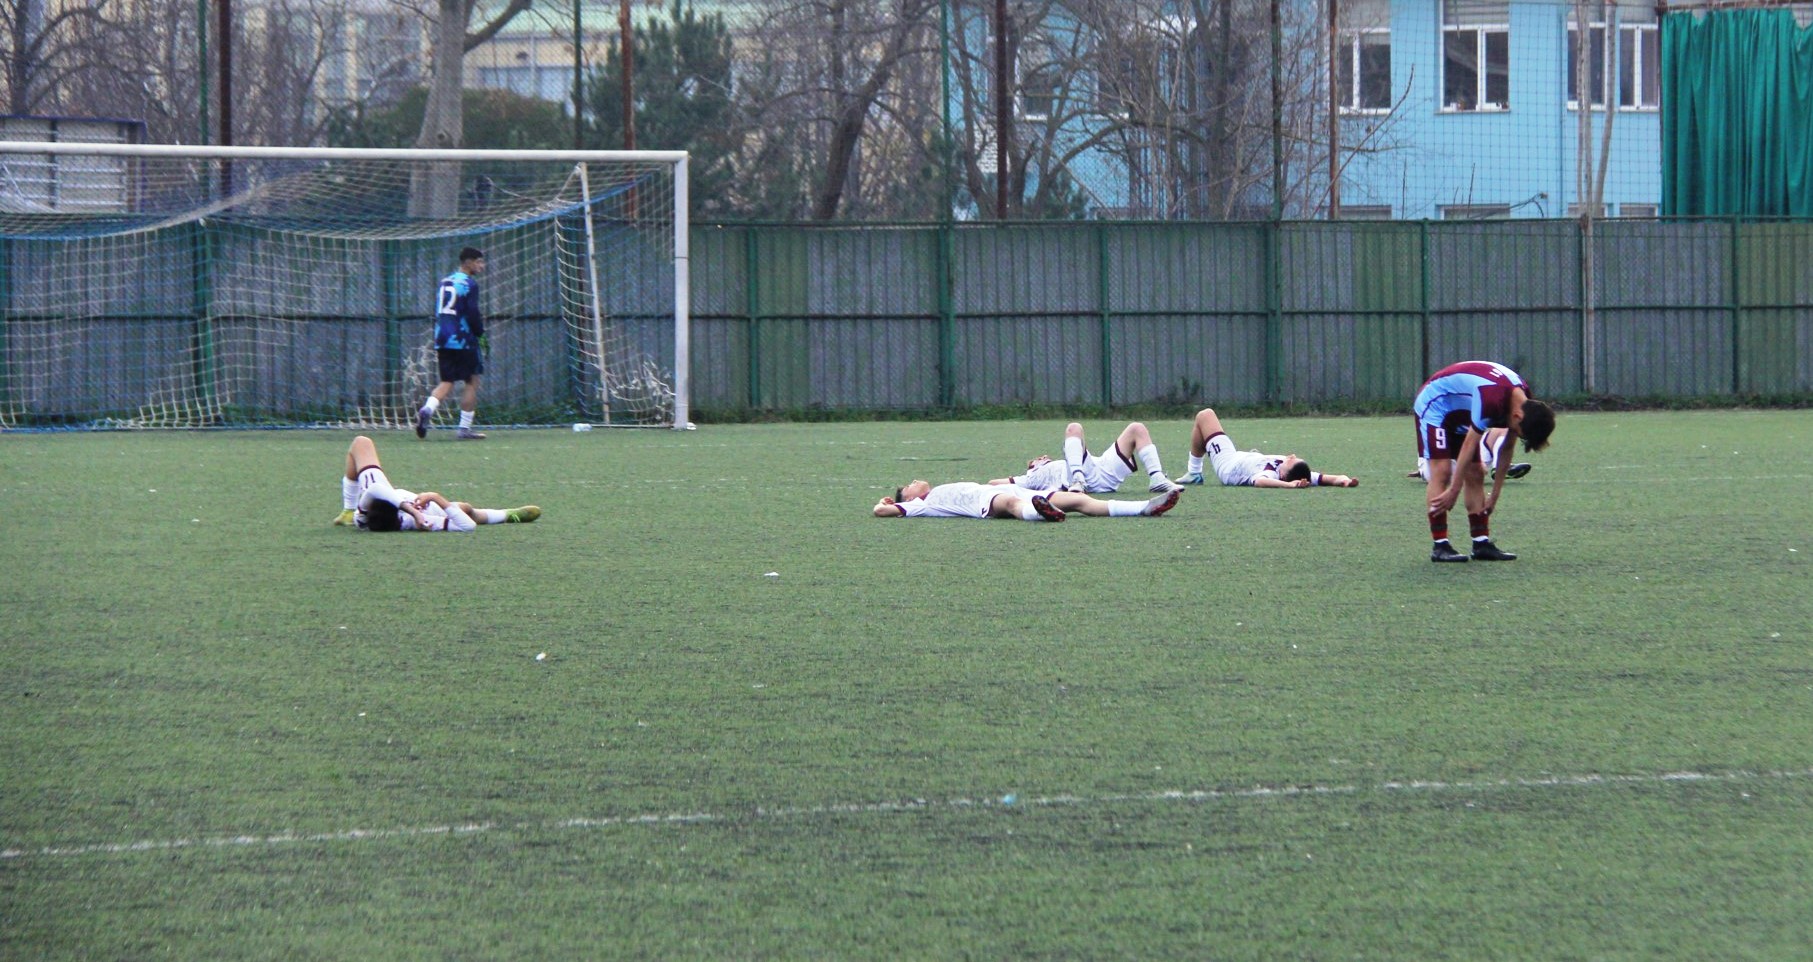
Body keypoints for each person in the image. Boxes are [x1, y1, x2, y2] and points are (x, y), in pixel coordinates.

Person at [1413, 360, 1555, 563]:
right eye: (1520, 432)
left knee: (1476, 472)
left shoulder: (1526, 403)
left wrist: (1495, 495)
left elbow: (1507, 447)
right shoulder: (1491, 399)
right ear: (1516, 416)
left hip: (1462, 409)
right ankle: (1440, 545)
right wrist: (1454, 490)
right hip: (1435, 404)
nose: (1518, 434)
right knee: (1442, 471)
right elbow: (1470, 444)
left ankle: (1481, 544)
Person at [333, 435, 540, 531]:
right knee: (466, 509)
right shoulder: (415, 522)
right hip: (429, 507)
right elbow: (467, 527)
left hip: (392, 503)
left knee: (361, 443)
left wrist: (408, 507)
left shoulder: (366, 513)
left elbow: (376, 489)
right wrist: (433, 499)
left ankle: (348, 511)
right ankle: (507, 514)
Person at [1174, 407, 1358, 489]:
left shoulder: (1270, 474)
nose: (1291, 455)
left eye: (1292, 460)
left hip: (1227, 465)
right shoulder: (1297, 474)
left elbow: (1260, 482)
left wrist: (1288, 486)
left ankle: (1194, 472)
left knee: (1205, 416)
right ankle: (1194, 473)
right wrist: (1343, 480)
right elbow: (1324, 478)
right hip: (1237, 456)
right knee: (1204, 418)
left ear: (1285, 475)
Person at [988, 421, 1183, 494]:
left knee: (1137, 428)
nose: (1043, 456)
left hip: (1101, 469)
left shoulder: (1065, 462)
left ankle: (1157, 478)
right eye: (1037, 459)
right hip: (1082, 476)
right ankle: (1078, 480)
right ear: (1033, 466)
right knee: (1074, 428)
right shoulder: (1034, 476)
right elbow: (994, 483)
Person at [417, 247, 488, 441]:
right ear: (468, 262)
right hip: (463, 339)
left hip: (442, 337)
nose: (482, 266)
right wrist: (480, 333)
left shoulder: (444, 281)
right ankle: (464, 429)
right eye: (479, 262)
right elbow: (472, 312)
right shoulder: (469, 284)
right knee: (472, 381)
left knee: (447, 381)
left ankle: (427, 409)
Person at [873, 481, 1180, 521]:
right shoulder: (922, 505)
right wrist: (885, 502)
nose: (914, 483)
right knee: (1010, 504)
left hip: (1001, 491)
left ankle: (1144, 507)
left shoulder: (936, 489)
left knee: (1078, 500)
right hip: (986, 502)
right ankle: (1040, 514)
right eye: (908, 486)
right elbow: (882, 511)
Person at [1408, 426, 1531, 481]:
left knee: (1503, 428)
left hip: (1467, 456)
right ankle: (1498, 467)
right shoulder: (1437, 420)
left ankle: (1499, 467)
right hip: (1455, 465)